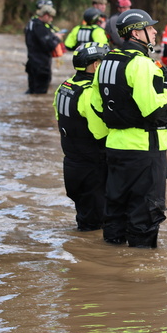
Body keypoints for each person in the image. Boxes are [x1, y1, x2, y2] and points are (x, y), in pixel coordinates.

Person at [89, 9, 167, 248]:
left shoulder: (105, 63)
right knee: (145, 216)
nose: (155, 31)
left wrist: (111, 134)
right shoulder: (142, 65)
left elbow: (96, 106)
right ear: (137, 33)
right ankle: (140, 279)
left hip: (115, 149)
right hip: (145, 151)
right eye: (150, 28)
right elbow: (151, 109)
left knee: (115, 212)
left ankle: (110, 270)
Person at [54, 42, 110, 231]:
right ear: (95, 65)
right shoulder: (89, 93)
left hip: (71, 164)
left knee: (85, 222)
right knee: (96, 227)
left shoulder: (64, 86)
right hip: (91, 168)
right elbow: (100, 132)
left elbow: (59, 118)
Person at [24, 3, 64, 94]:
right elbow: (49, 45)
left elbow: (38, 40)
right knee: (40, 93)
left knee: (32, 91)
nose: (51, 19)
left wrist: (52, 36)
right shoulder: (40, 27)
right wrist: (57, 38)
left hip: (31, 62)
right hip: (41, 65)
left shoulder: (31, 23)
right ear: (45, 15)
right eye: (51, 17)